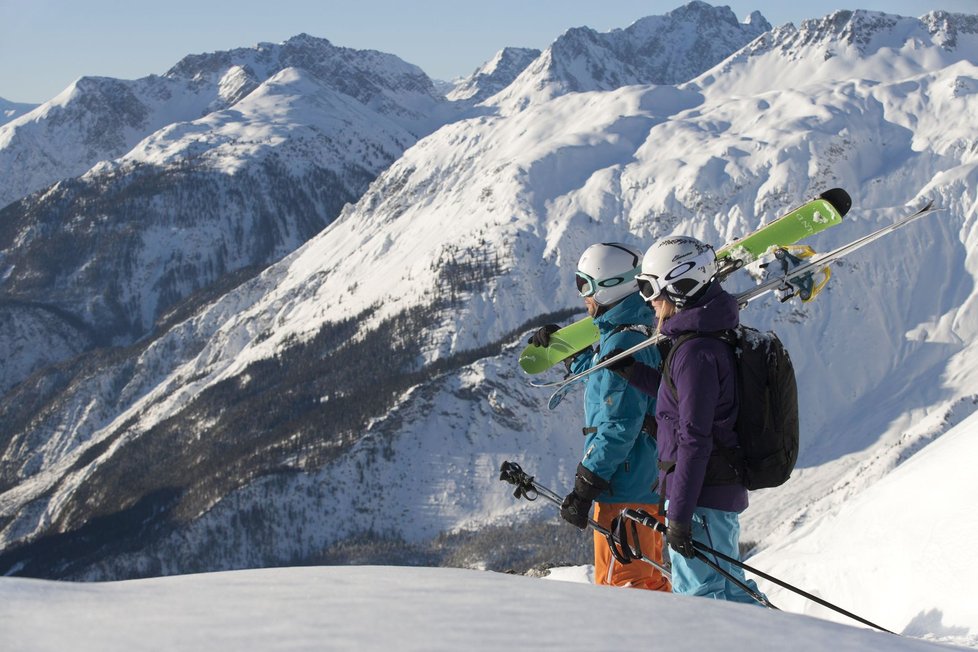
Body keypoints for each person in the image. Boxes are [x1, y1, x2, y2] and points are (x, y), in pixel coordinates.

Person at [611, 235, 764, 603]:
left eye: (650, 288)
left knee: (702, 598)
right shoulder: (704, 340)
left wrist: (679, 515)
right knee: (731, 590)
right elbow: (681, 398)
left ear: (678, 287)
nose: (648, 300)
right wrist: (634, 373)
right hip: (713, 492)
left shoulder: (695, 351)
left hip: (700, 495)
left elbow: (695, 436)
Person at [530, 242, 669, 591]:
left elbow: (619, 426)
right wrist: (570, 353)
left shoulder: (621, 345)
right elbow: (604, 374)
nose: (583, 298)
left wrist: (584, 486)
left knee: (624, 591)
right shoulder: (635, 333)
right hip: (643, 486)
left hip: (623, 494)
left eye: (585, 286)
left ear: (609, 286)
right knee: (649, 585)